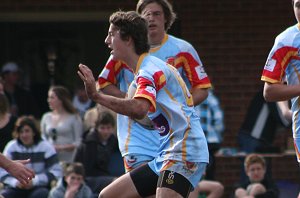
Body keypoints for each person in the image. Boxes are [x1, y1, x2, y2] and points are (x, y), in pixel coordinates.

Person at [78, 10, 209, 198]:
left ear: (128, 39)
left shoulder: (150, 70)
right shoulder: (147, 68)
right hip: (167, 153)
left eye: (111, 34)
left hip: (184, 151)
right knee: (108, 195)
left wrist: (96, 96)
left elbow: (139, 109)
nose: (107, 41)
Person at [98, 0, 211, 174]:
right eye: (146, 15)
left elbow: (202, 88)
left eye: (156, 14)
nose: (151, 19)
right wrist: (132, 102)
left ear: (166, 18)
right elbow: (104, 84)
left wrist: (176, 108)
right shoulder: (122, 51)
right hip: (137, 134)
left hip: (172, 134)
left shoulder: (182, 49)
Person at [0, 116, 62, 198]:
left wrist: (35, 181)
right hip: (15, 187)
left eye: (27, 131)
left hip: (39, 187)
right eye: (21, 132)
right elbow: (1, 171)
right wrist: (15, 182)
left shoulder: (46, 146)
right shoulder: (11, 147)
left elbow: (56, 172)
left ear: (34, 132)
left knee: (41, 194)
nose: (24, 135)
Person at [73, 111, 119, 196]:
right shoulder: (90, 143)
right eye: (102, 128)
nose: (105, 132)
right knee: (116, 183)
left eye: (108, 128)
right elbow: (88, 169)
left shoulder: (112, 140)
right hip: (87, 178)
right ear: (97, 128)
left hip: (104, 175)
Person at [40, 86, 83, 163]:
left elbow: (78, 142)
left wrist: (61, 148)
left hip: (69, 160)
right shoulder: (46, 117)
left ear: (61, 99)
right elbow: (43, 138)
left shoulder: (74, 118)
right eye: (49, 97)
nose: (49, 100)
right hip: (50, 159)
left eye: (52, 98)